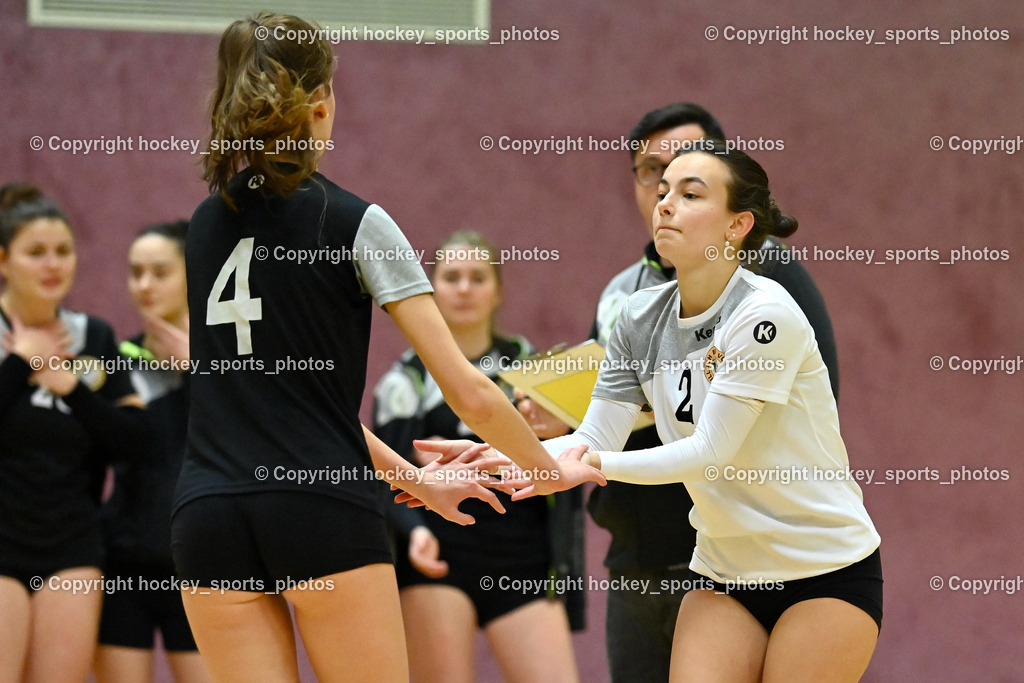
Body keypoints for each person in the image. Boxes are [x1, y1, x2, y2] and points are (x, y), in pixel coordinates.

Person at [170, 13, 603, 683]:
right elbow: (469, 390)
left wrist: (420, 482)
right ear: (320, 103)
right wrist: (544, 471)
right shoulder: (354, 220)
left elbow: (293, 407)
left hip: (208, 514)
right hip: (320, 510)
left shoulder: (203, 224)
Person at [487, 142, 881, 680]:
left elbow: (710, 452)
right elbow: (597, 436)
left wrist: (592, 467)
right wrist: (492, 455)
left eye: (691, 194)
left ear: (737, 225)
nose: (664, 203)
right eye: (663, 189)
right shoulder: (638, 314)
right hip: (724, 572)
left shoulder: (764, 313)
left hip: (825, 570)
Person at [373, 231, 578, 683]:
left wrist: (562, 430)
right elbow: (382, 478)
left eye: (477, 277)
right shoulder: (404, 381)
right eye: (451, 277)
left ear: (498, 291)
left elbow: (577, 456)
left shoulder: (536, 369)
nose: (464, 288)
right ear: (431, 291)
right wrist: (413, 532)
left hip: (523, 564)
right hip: (439, 559)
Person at [0, 184, 148, 682]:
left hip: (72, 548)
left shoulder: (95, 337)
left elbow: (134, 442)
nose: (53, 264)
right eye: (35, 252)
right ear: (3, 260)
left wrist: (74, 390)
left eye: (63, 251)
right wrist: (20, 363)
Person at [94, 221, 211, 682]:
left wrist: (200, 370)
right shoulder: (117, 363)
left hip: (204, 567)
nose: (144, 285)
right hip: (125, 564)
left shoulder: (233, 364)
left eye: (159, 272)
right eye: (135, 272)